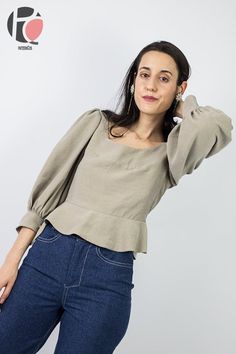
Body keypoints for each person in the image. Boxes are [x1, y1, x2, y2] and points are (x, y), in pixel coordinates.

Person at [0, 40, 233, 353]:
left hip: (106, 279)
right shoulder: (96, 124)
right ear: (133, 79)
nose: (150, 85)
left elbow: (218, 125)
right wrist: (12, 259)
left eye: (164, 78)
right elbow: (48, 190)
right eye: (144, 75)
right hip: (46, 260)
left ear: (180, 86)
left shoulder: (173, 154)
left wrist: (183, 105)